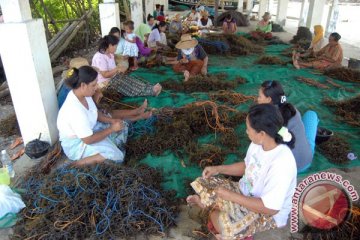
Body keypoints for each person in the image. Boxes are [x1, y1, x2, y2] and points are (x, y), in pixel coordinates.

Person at [187, 104, 297, 239]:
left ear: (261, 134)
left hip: (266, 212)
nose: (246, 131)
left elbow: (271, 208)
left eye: (248, 129)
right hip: (244, 191)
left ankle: (208, 209)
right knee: (203, 182)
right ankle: (213, 211)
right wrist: (218, 169)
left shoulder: (282, 163)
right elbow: (247, 166)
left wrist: (231, 196)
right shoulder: (258, 143)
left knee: (227, 227)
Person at [57, 66, 128, 166]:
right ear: (83, 85)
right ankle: (76, 164)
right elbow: (88, 140)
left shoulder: (84, 95)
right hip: (78, 144)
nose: (97, 87)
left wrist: (111, 121)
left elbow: (95, 113)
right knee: (117, 157)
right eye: (94, 85)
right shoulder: (75, 111)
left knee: (123, 125)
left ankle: (108, 147)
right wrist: (111, 129)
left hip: (90, 130)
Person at [257, 80, 319, 172]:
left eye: (259, 96)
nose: (257, 99)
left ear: (269, 99)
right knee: (311, 114)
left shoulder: (267, 120)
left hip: (287, 169)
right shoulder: (292, 109)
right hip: (306, 159)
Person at [92, 35, 162, 96]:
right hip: (104, 83)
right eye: (116, 45)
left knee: (129, 79)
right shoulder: (100, 57)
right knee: (125, 84)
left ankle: (150, 88)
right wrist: (117, 69)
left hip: (113, 78)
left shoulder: (109, 53)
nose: (116, 47)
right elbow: (105, 75)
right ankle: (151, 91)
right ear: (110, 45)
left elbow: (115, 58)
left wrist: (122, 58)